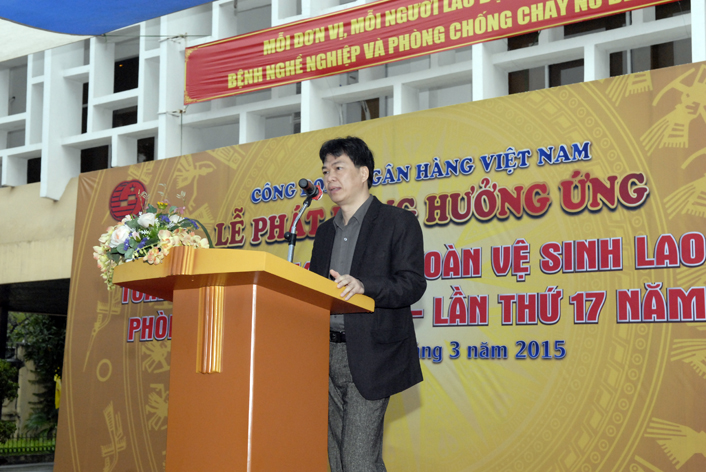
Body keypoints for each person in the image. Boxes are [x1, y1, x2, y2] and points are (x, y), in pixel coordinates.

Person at [309, 136, 425, 472]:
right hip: (325, 353)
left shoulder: (397, 222)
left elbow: (412, 284)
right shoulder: (324, 233)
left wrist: (365, 287)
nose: (330, 177)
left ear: (363, 173)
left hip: (371, 355)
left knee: (357, 460)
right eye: (325, 171)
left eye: (338, 168)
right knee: (336, 460)